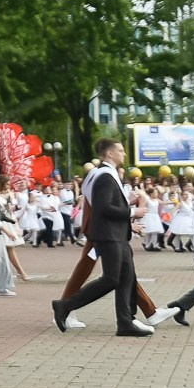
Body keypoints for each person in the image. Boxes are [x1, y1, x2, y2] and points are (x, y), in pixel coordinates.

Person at [56, 139, 149, 338]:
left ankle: (125, 322)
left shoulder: (108, 174)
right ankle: (64, 306)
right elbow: (103, 208)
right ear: (109, 154)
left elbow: (109, 205)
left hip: (117, 235)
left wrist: (128, 208)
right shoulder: (105, 176)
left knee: (126, 278)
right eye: (120, 150)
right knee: (111, 279)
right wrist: (133, 211)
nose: (124, 154)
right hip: (109, 235)